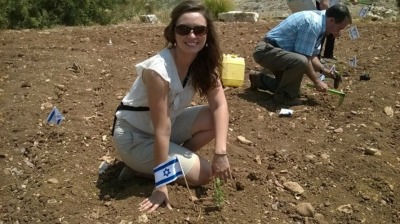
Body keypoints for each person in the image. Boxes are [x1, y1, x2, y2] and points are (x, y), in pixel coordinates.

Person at [112, 0, 231, 213]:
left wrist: (220, 152)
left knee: (213, 118)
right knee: (205, 174)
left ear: (207, 34)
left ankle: (173, 157)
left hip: (164, 127)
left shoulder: (202, 63)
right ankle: (139, 169)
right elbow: (161, 129)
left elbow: (220, 104)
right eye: (184, 29)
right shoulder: (158, 71)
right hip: (136, 138)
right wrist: (161, 185)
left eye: (199, 30)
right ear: (173, 33)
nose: (192, 36)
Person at [249, 4, 352, 106]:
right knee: (300, 62)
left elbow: (311, 55)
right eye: (339, 28)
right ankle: (283, 98)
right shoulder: (313, 24)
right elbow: (304, 58)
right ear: (331, 20)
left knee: (293, 90)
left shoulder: (321, 23)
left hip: (277, 52)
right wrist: (317, 81)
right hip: (266, 51)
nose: (339, 33)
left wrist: (324, 71)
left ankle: (258, 80)